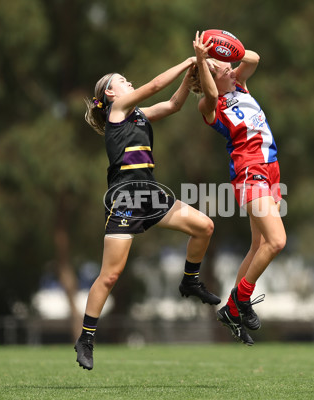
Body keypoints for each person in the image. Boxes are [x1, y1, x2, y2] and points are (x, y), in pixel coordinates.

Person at [75, 55, 220, 370]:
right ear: (111, 94)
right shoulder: (118, 110)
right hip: (125, 197)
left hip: (151, 195)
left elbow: (172, 105)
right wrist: (187, 62)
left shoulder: (138, 114)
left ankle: (190, 280)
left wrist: (191, 74)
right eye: (121, 81)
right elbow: (155, 85)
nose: (127, 81)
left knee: (204, 227)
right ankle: (86, 338)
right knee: (110, 275)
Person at [190, 31, 286, 345]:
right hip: (250, 172)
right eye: (223, 70)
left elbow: (253, 58)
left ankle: (233, 307)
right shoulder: (211, 104)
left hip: (271, 168)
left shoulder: (238, 84)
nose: (231, 70)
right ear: (210, 78)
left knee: (259, 245)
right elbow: (209, 89)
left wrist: (223, 49)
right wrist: (205, 62)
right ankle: (238, 303)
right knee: (276, 242)